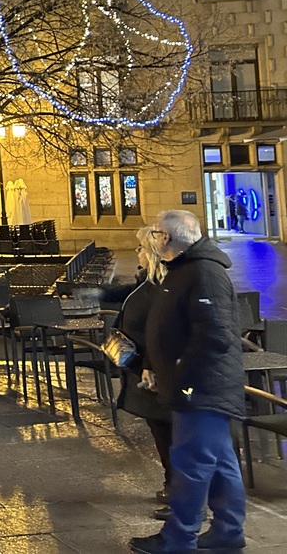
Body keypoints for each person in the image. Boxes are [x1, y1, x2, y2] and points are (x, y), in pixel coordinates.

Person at [129, 210, 247, 554]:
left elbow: (216, 336)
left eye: (155, 233)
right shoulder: (183, 270)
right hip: (198, 386)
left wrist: (182, 376)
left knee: (190, 466)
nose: (153, 238)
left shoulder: (203, 273)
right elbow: (169, 326)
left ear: (166, 238)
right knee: (222, 464)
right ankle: (227, 531)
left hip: (203, 389)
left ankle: (178, 538)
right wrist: (154, 364)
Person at [100, 226, 174, 509]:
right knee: (159, 428)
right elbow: (130, 295)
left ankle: (178, 490)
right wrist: (100, 293)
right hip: (141, 366)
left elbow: (163, 330)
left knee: (167, 430)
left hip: (153, 369)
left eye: (141, 248)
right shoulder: (146, 280)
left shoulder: (162, 285)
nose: (137, 253)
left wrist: (148, 364)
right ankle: (173, 484)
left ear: (153, 253)